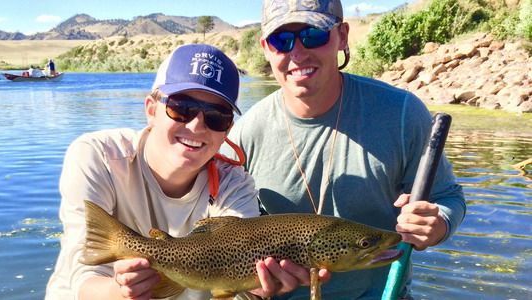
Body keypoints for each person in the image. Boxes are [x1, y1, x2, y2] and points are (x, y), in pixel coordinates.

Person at [225, 0, 467, 299]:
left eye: (314, 35)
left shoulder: (401, 113)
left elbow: (448, 197)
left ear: (342, 36)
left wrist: (437, 223)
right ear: (265, 47)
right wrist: (251, 291)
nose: (297, 53)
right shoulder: (244, 133)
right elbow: (228, 233)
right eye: (281, 40)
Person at [45, 43, 316, 300]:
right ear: (151, 110)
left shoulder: (234, 185)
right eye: (181, 108)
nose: (198, 126)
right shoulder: (98, 156)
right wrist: (123, 293)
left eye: (216, 116)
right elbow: (80, 275)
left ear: (227, 130)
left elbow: (236, 273)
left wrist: (254, 288)